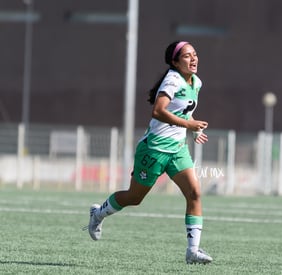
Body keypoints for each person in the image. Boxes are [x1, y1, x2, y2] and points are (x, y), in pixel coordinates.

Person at [85, 41, 213, 264]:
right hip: (154, 150)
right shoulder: (172, 80)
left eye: (195, 54)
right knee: (134, 198)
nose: (193, 59)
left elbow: (184, 111)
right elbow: (158, 111)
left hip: (177, 150)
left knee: (194, 193)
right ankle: (97, 214)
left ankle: (192, 251)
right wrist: (188, 126)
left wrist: (192, 129)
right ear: (174, 62)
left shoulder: (196, 82)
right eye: (186, 56)